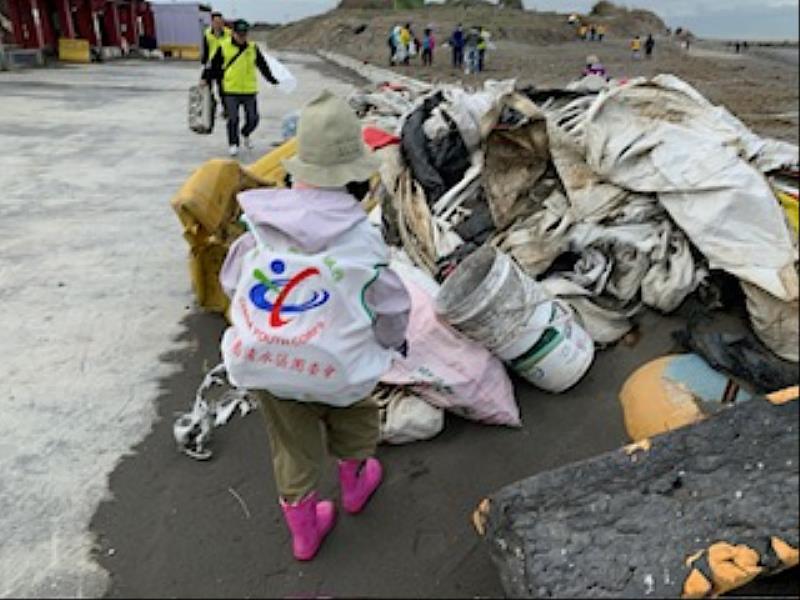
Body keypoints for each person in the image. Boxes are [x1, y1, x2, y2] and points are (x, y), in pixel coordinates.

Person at [219, 90, 411, 562]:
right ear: (354, 176)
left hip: (267, 365)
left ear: (298, 167)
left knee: (291, 444)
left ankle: (305, 533)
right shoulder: (363, 243)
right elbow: (391, 307)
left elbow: (231, 285)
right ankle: (354, 485)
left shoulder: (260, 228)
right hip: (339, 371)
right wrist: (391, 343)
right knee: (354, 415)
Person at [205, 19, 279, 157]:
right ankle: (233, 144)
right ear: (233, 33)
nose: (242, 37)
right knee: (233, 119)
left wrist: (272, 79)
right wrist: (205, 79)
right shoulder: (224, 46)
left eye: (244, 34)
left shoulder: (252, 48)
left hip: (249, 91)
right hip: (231, 90)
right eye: (239, 34)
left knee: (253, 119)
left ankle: (245, 133)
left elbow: (262, 66)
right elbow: (214, 66)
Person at [201, 12, 231, 116]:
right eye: (216, 22)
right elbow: (206, 50)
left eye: (220, 22)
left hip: (224, 66)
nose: (218, 24)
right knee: (206, 89)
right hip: (211, 65)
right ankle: (210, 107)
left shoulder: (229, 33)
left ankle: (226, 110)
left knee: (223, 90)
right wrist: (204, 65)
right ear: (212, 23)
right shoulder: (207, 33)